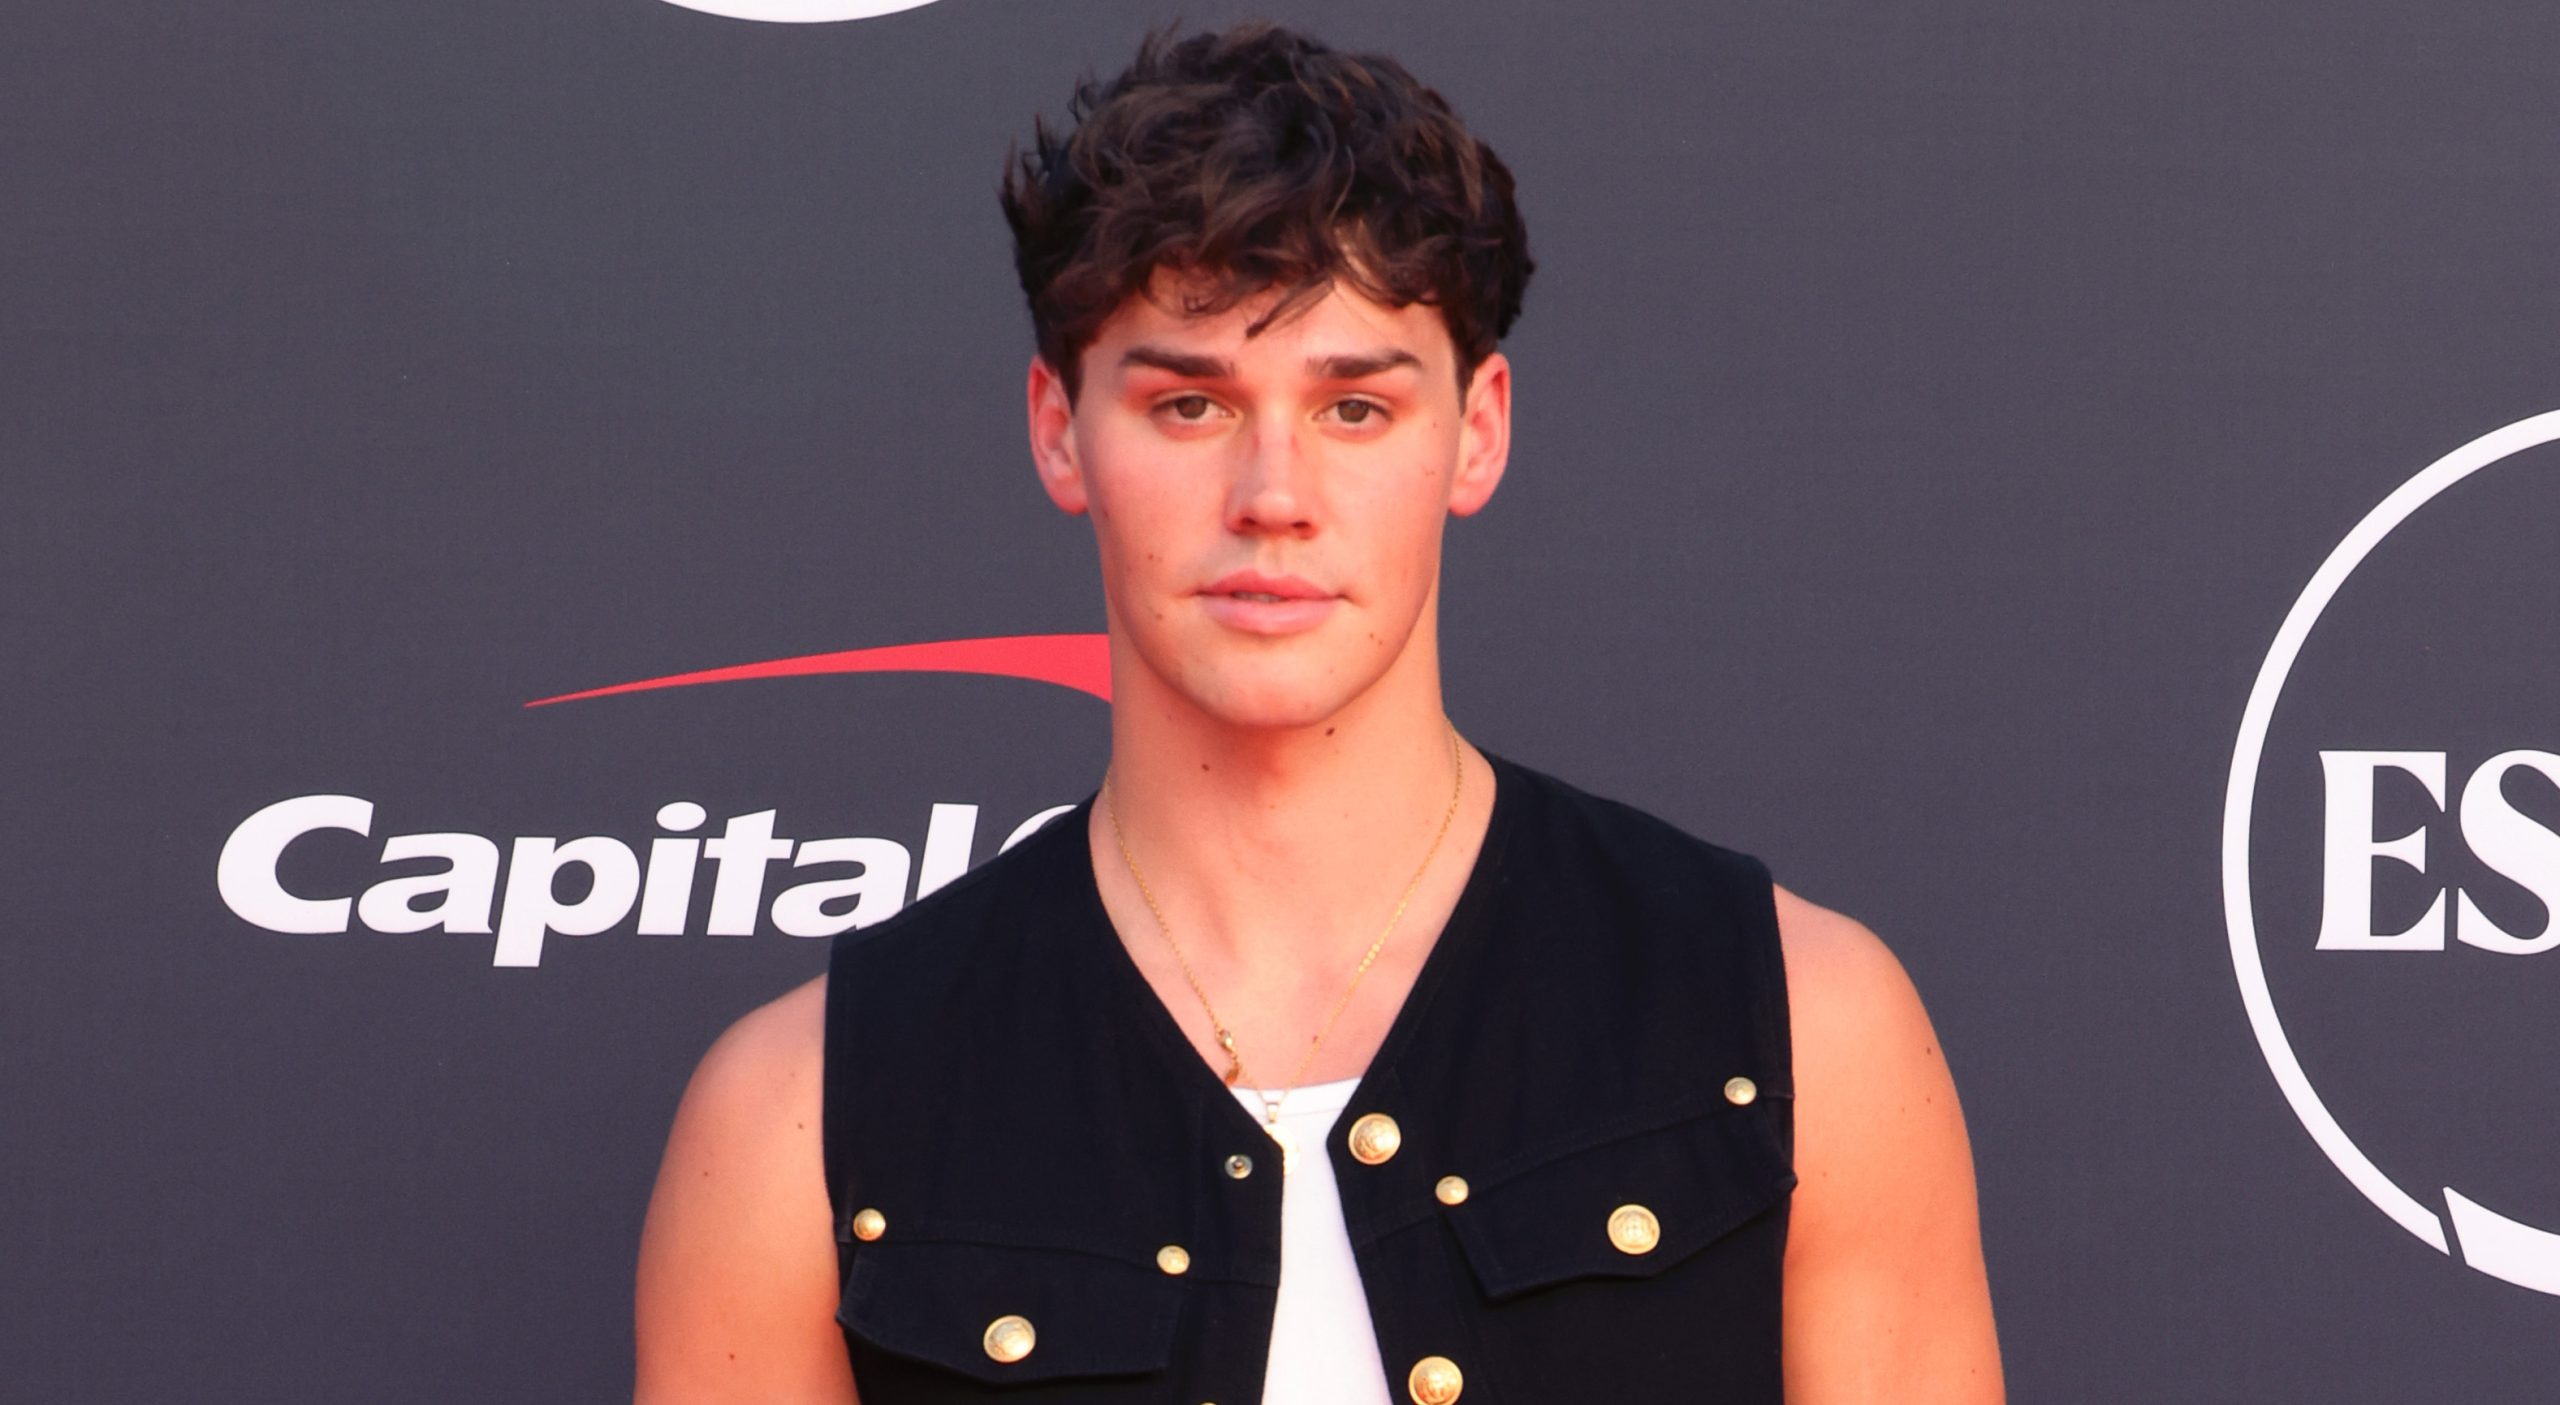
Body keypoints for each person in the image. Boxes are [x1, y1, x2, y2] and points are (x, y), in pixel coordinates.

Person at [635, 21, 2000, 1404]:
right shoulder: (800, 1113)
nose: (1271, 493)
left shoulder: (1795, 1023)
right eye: (1187, 404)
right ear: (1060, 428)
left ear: (1476, 430)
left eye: (1354, 407)